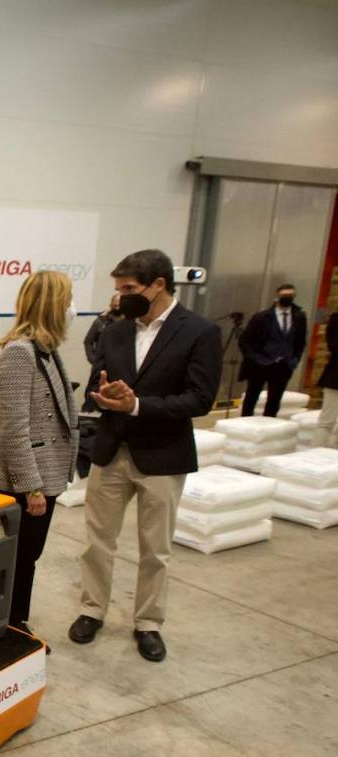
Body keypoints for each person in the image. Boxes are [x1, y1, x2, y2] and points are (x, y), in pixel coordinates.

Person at [69, 249, 221, 662]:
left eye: (130, 289)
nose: (121, 297)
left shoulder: (198, 332)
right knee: (98, 542)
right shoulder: (116, 331)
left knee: (155, 549)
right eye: (118, 290)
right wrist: (103, 398)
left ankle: (148, 623)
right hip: (112, 449)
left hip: (162, 454)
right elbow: (95, 386)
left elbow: (200, 399)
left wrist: (138, 406)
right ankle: (91, 610)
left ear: (158, 285)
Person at [0, 271, 79, 642]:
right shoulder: (20, 354)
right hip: (26, 481)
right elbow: (13, 429)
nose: (72, 309)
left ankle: (15, 620)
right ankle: (8, 626)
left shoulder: (47, 352)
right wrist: (32, 488)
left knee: (29, 557)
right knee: (18, 559)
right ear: (53, 306)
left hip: (46, 475)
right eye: (67, 301)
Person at [238, 283, 308, 417]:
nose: (288, 298)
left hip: (284, 364)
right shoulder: (262, 317)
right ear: (277, 297)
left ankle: (269, 423)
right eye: (284, 295)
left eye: (291, 295)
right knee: (252, 396)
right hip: (261, 363)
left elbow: (300, 341)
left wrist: (294, 360)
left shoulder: (299, 317)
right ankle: (246, 421)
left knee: (274, 400)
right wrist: (254, 358)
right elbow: (245, 340)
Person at [318, 311, 338, 448]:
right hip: (335, 377)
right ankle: (315, 454)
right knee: (327, 421)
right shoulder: (336, 319)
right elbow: (334, 345)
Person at [85, 292, 122, 365]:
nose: (117, 308)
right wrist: (93, 359)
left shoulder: (130, 322)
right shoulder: (101, 321)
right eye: (115, 306)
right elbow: (88, 341)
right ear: (110, 305)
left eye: (119, 306)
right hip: (102, 364)